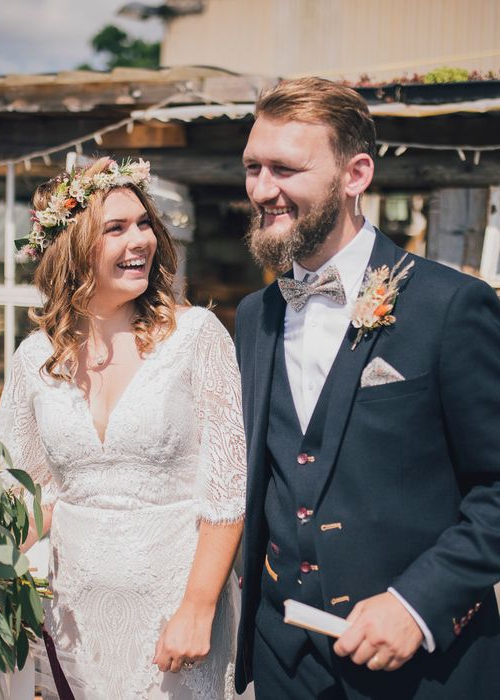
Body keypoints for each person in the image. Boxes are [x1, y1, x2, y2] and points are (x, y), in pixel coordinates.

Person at [233, 77, 500, 699]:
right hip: (282, 659)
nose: (261, 189)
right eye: (252, 167)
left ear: (355, 175)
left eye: (284, 168)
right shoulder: (252, 316)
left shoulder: (451, 306)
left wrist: (416, 604)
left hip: (424, 670)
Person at [0, 157, 247, 699]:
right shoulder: (35, 358)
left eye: (144, 223)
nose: (141, 240)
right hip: (74, 616)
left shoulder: (198, 336)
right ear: (71, 249)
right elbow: (26, 496)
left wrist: (198, 609)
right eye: (116, 228)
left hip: (175, 608)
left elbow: (226, 495)